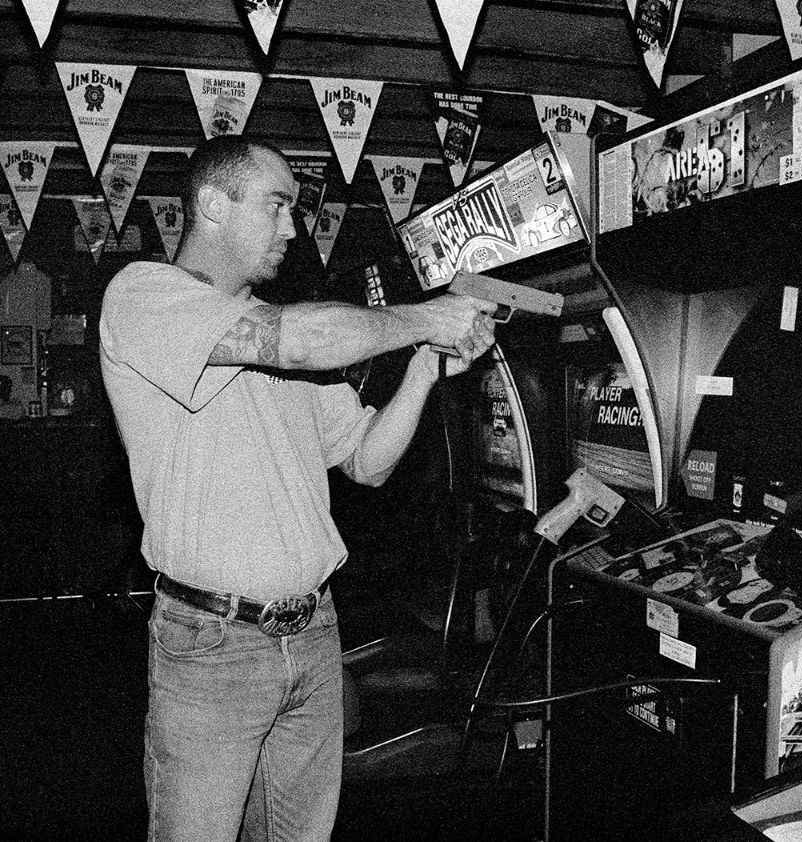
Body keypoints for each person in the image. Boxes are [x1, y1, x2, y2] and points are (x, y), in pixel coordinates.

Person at [98, 135, 497, 842]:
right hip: (212, 644)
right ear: (213, 204)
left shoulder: (294, 336)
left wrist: (424, 370)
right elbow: (292, 339)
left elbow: (368, 462)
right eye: (277, 205)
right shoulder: (144, 296)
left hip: (312, 631)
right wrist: (427, 316)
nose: (292, 227)